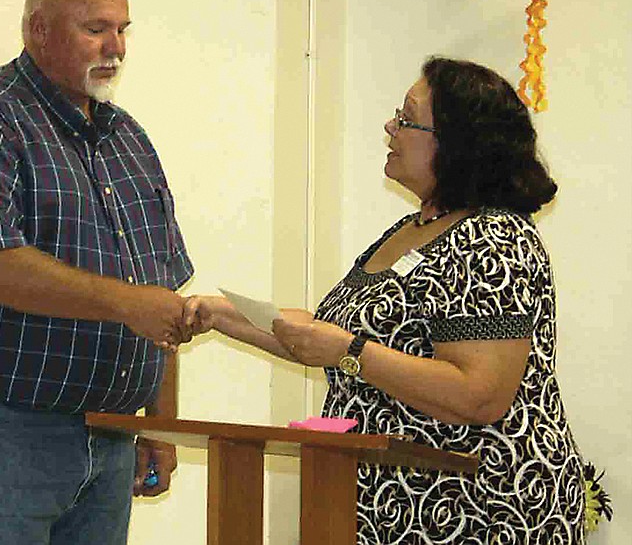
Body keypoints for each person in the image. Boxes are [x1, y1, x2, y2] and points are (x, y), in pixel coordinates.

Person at [184, 57, 588, 543]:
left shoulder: (495, 239)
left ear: (455, 143)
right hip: (393, 502)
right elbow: (325, 333)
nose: (390, 126)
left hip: (479, 508)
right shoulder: (410, 231)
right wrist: (217, 314)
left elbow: (479, 395)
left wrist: (348, 352)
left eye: (406, 117)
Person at [0, 0, 193, 545]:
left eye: (123, 29)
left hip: (109, 435)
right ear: (38, 29)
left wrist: (158, 423)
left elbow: (160, 295)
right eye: (96, 29)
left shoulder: (127, 137)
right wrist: (125, 303)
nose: (116, 47)